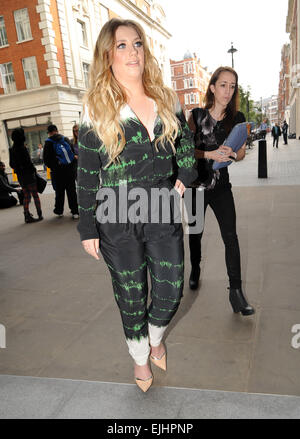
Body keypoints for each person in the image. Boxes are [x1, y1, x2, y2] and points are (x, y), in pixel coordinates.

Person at [77, 18, 197, 392]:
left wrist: (186, 174)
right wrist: (87, 228)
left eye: (137, 43)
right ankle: (141, 358)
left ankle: (156, 335)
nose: (132, 52)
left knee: (170, 287)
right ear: (108, 55)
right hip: (115, 212)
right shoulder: (95, 107)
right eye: (122, 45)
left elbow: (186, 147)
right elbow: (86, 174)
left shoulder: (165, 98)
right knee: (131, 294)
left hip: (160, 205)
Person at [188, 66, 255, 317]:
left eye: (232, 86)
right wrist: (208, 154)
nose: (228, 90)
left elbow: (240, 153)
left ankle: (236, 293)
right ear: (213, 87)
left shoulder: (237, 118)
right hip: (195, 186)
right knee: (195, 233)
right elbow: (186, 151)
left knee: (231, 237)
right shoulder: (195, 115)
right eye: (223, 85)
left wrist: (231, 154)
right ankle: (195, 269)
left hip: (221, 185)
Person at [43, 124, 79, 219]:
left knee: (59, 192)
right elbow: (72, 154)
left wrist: (54, 166)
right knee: (71, 191)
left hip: (58, 172)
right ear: (57, 130)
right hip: (69, 170)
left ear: (49, 133)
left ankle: (59, 211)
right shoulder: (65, 139)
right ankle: (75, 211)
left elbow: (46, 160)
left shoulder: (48, 143)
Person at [9, 128, 43, 223]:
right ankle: (39, 214)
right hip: (29, 175)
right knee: (35, 195)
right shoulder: (23, 148)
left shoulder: (11, 149)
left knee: (26, 196)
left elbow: (11, 164)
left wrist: (18, 168)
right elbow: (29, 163)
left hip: (20, 176)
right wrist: (33, 171)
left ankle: (26, 214)